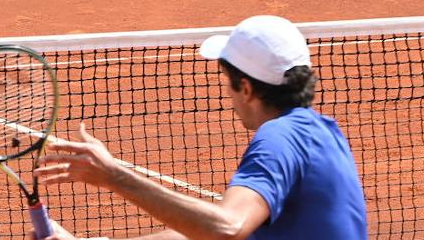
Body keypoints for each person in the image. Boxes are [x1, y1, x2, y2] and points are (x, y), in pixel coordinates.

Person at [34, 15, 367, 239]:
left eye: (228, 81)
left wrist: (115, 177)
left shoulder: (279, 139)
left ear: (247, 89)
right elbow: (199, 231)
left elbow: (228, 228)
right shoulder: (325, 133)